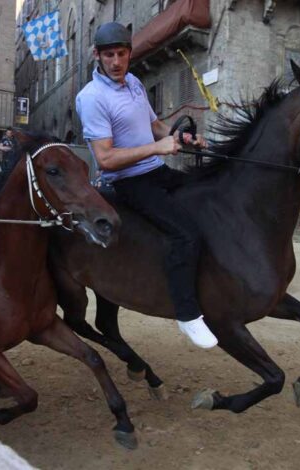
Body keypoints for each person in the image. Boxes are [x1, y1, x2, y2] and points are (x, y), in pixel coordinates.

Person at [77, 22, 217, 348]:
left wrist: (177, 137)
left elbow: (153, 125)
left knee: (207, 196)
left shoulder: (134, 83)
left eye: (121, 54)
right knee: (185, 232)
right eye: (108, 55)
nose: (115, 61)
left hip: (156, 170)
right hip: (128, 183)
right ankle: (187, 314)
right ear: (97, 55)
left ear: (129, 53)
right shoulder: (93, 97)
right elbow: (106, 159)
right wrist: (158, 147)